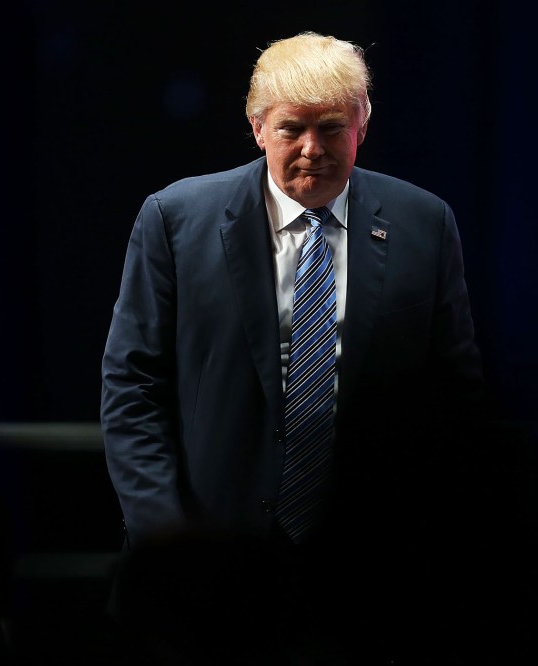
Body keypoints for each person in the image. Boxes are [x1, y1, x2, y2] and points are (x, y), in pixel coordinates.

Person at [101, 31, 503, 664]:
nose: (312, 150)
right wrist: (169, 541)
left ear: (363, 124)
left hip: (376, 570)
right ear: (257, 127)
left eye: (332, 128)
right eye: (292, 129)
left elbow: (457, 395)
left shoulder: (425, 223)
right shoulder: (175, 220)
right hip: (210, 565)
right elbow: (132, 390)